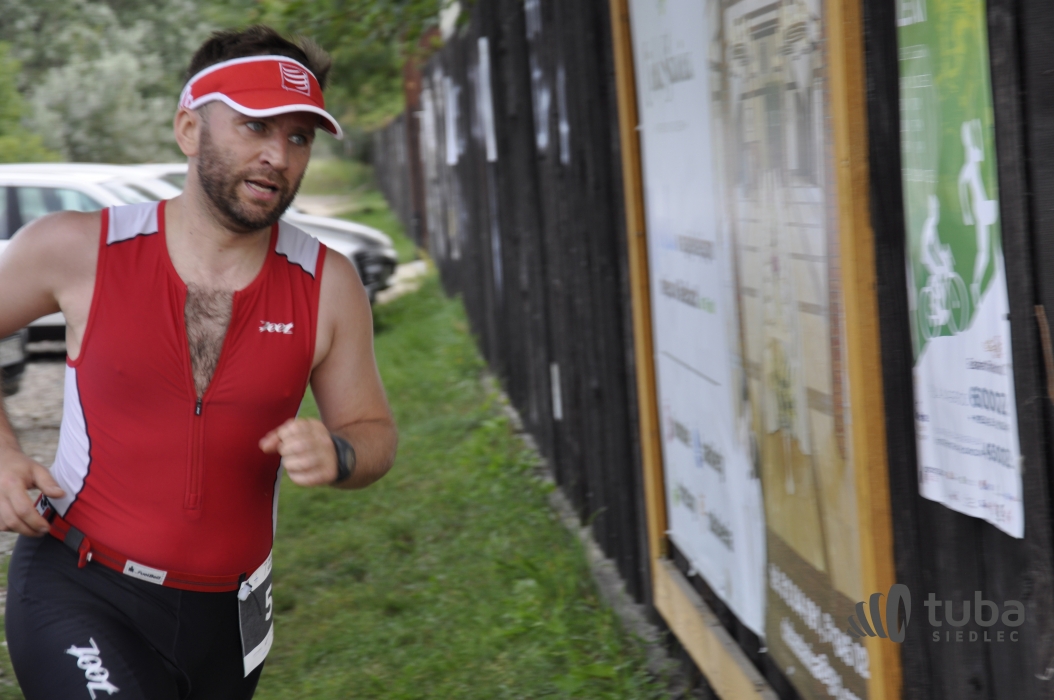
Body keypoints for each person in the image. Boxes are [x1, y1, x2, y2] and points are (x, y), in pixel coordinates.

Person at [0, 26, 398, 699]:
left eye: (299, 136)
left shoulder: (327, 285)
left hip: (229, 621)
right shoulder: (78, 249)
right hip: (80, 585)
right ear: (189, 128)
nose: (278, 155)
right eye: (255, 126)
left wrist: (339, 453)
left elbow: (374, 432)